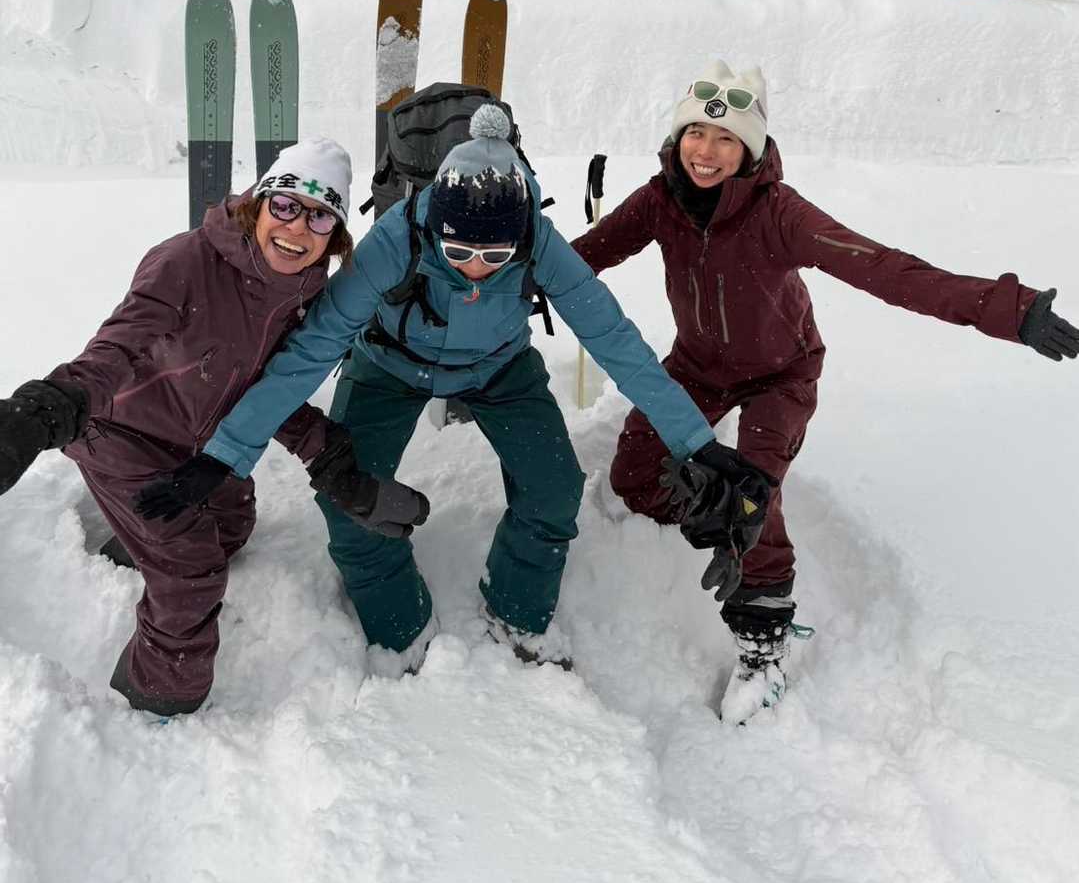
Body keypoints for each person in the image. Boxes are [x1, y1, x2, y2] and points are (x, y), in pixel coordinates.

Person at [572, 60, 1079, 720]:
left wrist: (1009, 310)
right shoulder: (659, 199)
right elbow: (581, 257)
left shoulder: (778, 213)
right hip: (696, 366)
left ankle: (763, 640)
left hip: (780, 372)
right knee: (635, 475)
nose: (707, 150)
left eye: (726, 138)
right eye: (696, 132)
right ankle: (709, 517)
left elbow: (889, 271)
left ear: (750, 149)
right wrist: (496, 279)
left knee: (753, 492)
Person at [147, 106, 733, 676]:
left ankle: (518, 614)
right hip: (391, 363)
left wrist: (696, 443)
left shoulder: (537, 239)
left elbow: (616, 341)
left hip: (499, 368)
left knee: (554, 491)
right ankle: (400, 628)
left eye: (495, 257)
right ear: (434, 230)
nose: (476, 267)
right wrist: (224, 456)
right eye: (458, 253)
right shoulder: (396, 238)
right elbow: (309, 353)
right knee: (349, 501)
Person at [0, 140, 428, 717]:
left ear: (335, 235)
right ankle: (156, 699)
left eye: (320, 216)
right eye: (286, 206)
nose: (297, 228)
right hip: (119, 435)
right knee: (192, 572)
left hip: (202, 442)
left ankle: (137, 545)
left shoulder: (303, 294)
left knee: (230, 524)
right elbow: (116, 349)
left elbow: (269, 390)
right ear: (258, 203)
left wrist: (334, 463)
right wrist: (47, 409)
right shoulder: (186, 262)